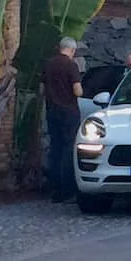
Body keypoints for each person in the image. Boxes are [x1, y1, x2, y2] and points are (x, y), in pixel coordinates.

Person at [42, 36, 83, 201]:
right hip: (69, 112)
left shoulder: (48, 64)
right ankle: (67, 189)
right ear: (72, 50)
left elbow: (42, 87)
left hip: (52, 111)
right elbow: (77, 90)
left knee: (55, 147)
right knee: (68, 149)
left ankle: (55, 189)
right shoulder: (71, 65)